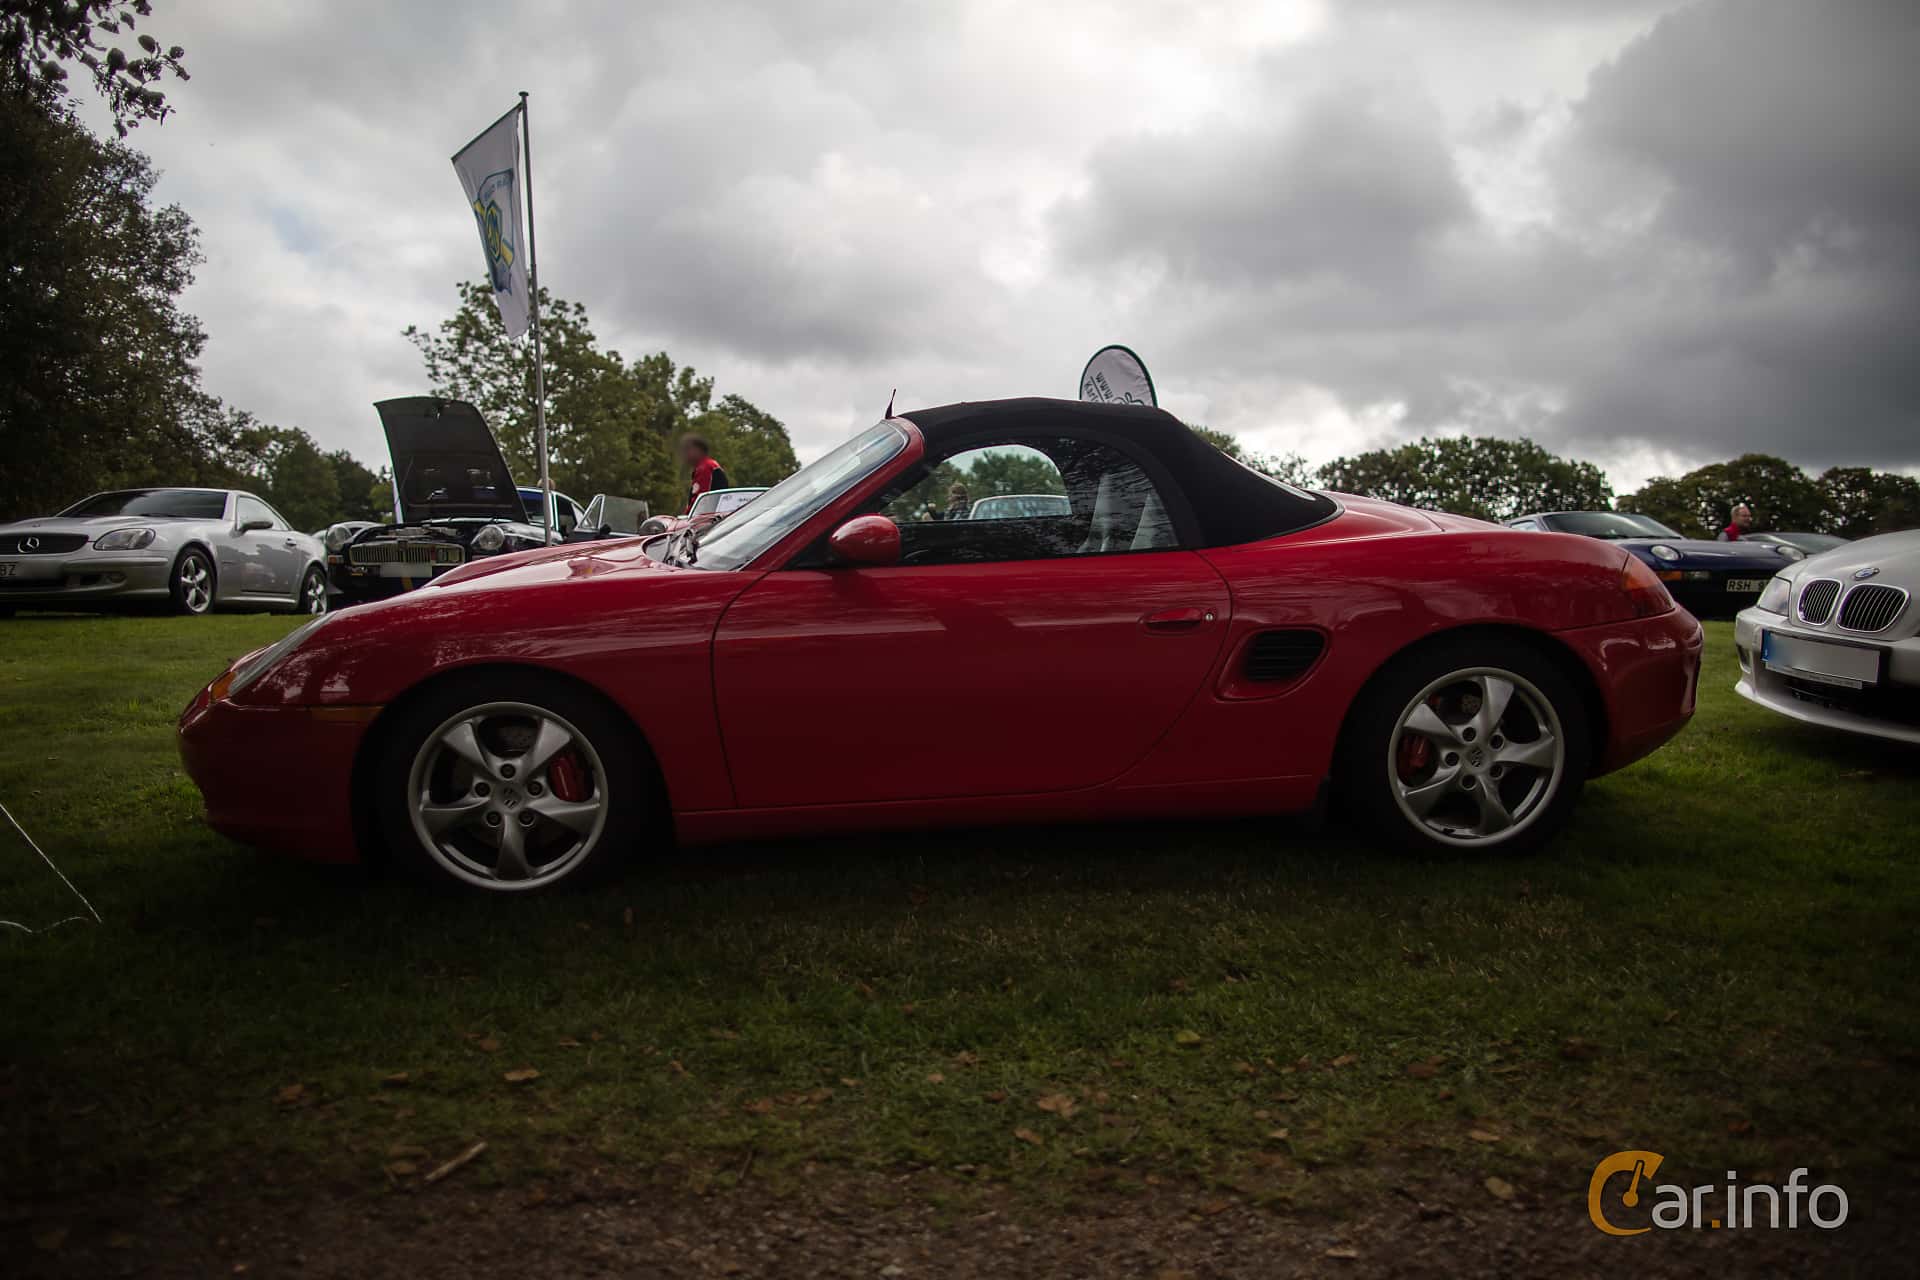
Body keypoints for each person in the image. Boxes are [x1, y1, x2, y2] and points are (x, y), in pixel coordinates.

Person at [680, 435, 730, 514]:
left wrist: (687, 517)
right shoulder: (708, 465)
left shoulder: (705, 467)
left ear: (698, 450)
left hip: (708, 518)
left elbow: (700, 501)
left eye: (688, 449)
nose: (685, 454)